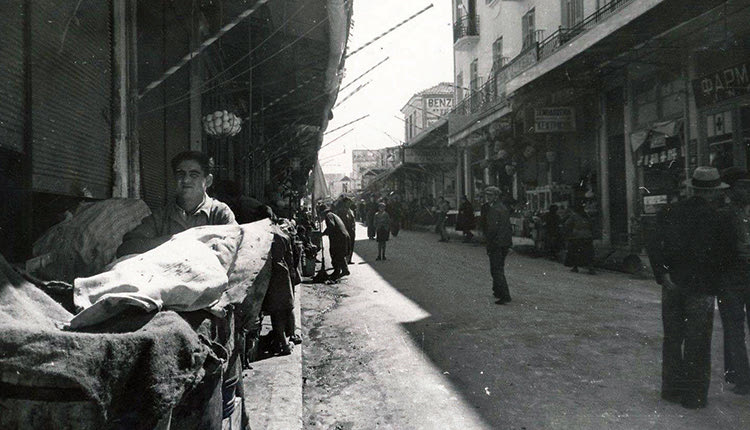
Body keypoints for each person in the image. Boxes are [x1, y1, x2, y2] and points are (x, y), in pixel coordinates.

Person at [647, 166, 736, 409]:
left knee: (673, 338)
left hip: (672, 284)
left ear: (693, 188)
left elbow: (654, 242)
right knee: (698, 341)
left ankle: (671, 389)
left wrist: (662, 273)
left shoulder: (670, 211)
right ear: (713, 192)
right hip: (702, 288)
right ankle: (694, 396)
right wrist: (715, 282)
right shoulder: (720, 218)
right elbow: (728, 256)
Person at [117, 151, 236, 257]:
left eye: (194, 175)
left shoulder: (219, 212)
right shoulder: (162, 216)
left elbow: (235, 248)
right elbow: (127, 248)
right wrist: (175, 241)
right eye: (180, 174)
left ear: (208, 181)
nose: (186, 180)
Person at [717, 171, 750, 395]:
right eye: (742, 187)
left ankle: (741, 377)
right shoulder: (722, 215)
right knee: (734, 328)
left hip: (737, 274)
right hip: (732, 275)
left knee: (734, 328)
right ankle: (741, 378)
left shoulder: (726, 215)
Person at [482, 186, 513, 305]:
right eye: (487, 195)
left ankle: (505, 295)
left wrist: (488, 243)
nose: (488, 198)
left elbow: (492, 230)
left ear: (496, 196)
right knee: (499, 267)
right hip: (504, 242)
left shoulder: (494, 209)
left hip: (496, 243)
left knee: (496, 269)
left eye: (490, 195)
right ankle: (498, 291)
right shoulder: (503, 208)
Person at [318, 204, 351, 282]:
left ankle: (337, 271)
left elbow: (331, 226)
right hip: (343, 236)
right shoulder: (333, 215)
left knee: (334, 253)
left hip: (339, 238)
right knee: (340, 254)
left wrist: (323, 233)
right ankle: (345, 270)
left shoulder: (328, 216)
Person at [563, 200, 596, 274]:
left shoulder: (574, 216)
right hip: (588, 236)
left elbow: (567, 224)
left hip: (577, 236)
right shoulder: (586, 215)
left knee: (575, 251)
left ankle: (575, 267)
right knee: (588, 252)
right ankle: (591, 267)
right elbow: (591, 224)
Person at [335, 197, 356, 264]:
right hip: (344, 230)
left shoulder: (351, 211)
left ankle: (349, 259)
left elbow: (353, 221)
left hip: (351, 231)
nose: (349, 204)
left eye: (349, 203)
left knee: (351, 245)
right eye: (347, 203)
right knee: (345, 246)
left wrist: (353, 228)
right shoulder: (341, 211)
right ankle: (344, 261)